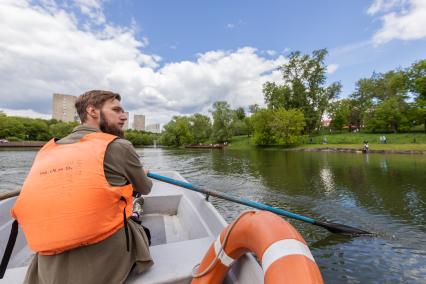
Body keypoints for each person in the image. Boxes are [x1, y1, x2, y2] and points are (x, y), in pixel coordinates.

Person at [11, 90, 153, 284]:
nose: (124, 116)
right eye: (116, 110)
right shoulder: (120, 146)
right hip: (102, 267)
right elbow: (144, 187)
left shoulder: (47, 150)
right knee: (140, 228)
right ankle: (136, 215)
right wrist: (141, 174)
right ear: (92, 111)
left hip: (47, 271)